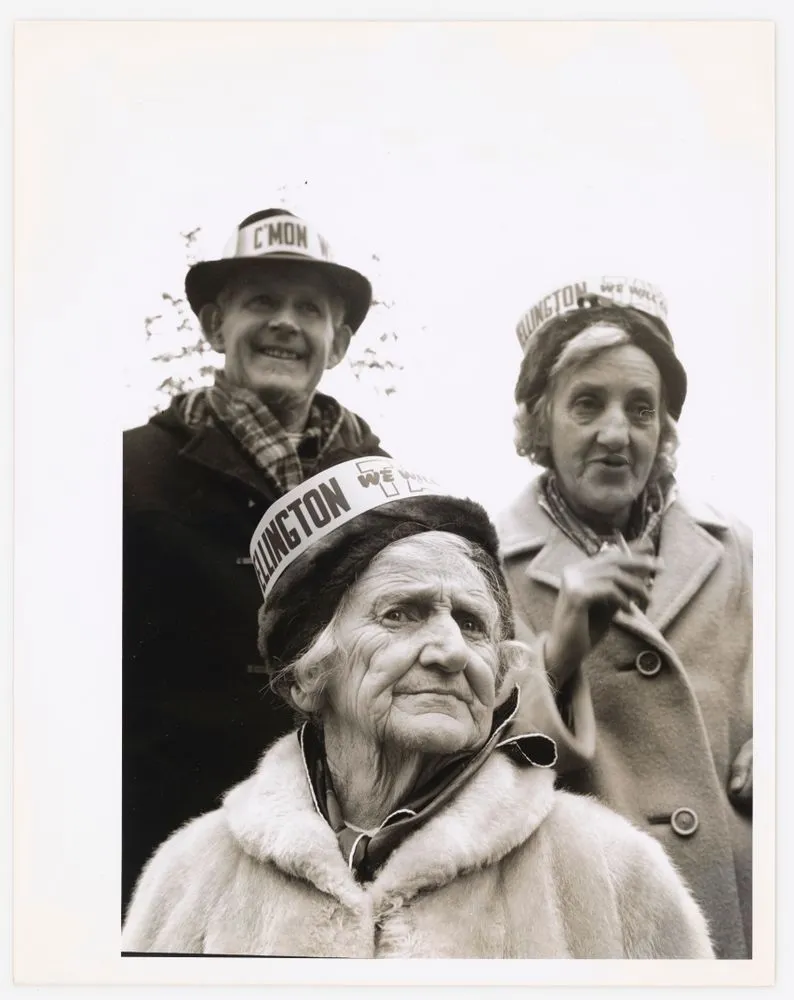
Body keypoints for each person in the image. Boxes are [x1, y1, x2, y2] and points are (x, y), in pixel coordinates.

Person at [121, 457, 714, 959]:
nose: (452, 651)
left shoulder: (614, 873)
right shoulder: (192, 877)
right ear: (307, 677)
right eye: (400, 613)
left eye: (473, 623)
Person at [123, 208, 389, 914]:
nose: (285, 323)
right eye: (261, 301)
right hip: (165, 862)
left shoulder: (384, 489)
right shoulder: (126, 471)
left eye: (310, 308)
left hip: (339, 862)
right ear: (214, 326)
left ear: (339, 342)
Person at [496, 277, 752, 959]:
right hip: (589, 927)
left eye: (641, 408)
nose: (617, 433)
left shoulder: (736, 549)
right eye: (586, 404)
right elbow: (480, 769)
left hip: (744, 924)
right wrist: (560, 651)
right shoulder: (487, 566)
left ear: (664, 428)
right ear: (538, 423)